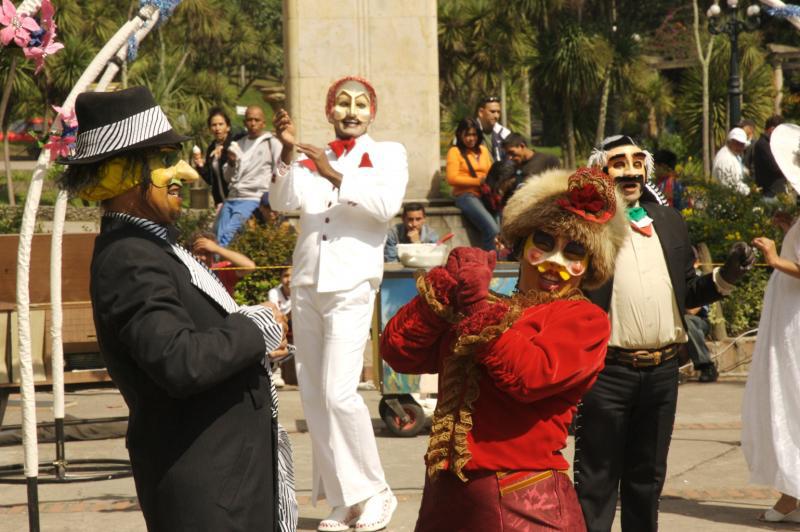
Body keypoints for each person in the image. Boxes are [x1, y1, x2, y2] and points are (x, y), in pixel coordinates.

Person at [57, 86, 294, 531]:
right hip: (209, 498)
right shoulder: (130, 256)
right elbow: (180, 361)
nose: (186, 172)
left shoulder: (152, 245)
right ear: (121, 175)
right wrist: (252, 328)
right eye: (166, 160)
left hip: (227, 489)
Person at [381, 166, 629, 530]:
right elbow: (400, 352)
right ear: (524, 243)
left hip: (523, 502)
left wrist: (478, 305)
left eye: (574, 251)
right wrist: (446, 289)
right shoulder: (482, 304)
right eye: (544, 242)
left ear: (588, 266)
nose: (554, 262)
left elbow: (530, 377)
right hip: (446, 500)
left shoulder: (585, 320)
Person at [577, 134, 755, 531]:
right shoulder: (586, 228)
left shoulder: (670, 222)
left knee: (647, 478)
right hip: (606, 372)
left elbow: (688, 289)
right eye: (618, 162)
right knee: (596, 482)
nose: (630, 169)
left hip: (662, 373)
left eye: (637, 161)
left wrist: (726, 277)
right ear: (600, 172)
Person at [271, 75, 407, 532]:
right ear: (330, 110)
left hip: (352, 281)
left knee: (339, 393)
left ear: (372, 112)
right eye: (343, 103)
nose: (351, 111)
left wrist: (335, 175)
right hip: (309, 282)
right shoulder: (313, 155)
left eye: (361, 104)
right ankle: (344, 501)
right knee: (313, 397)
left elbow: (386, 206)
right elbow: (281, 199)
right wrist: (290, 152)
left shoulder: (388, 154)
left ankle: (375, 491)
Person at [741, 140, 800, 523]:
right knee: (786, 395)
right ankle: (791, 492)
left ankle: (792, 492)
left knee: (792, 395)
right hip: (787, 314)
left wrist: (773, 258)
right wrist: (788, 227)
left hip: (795, 320)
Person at [217, 105, 282, 246]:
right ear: (244, 122)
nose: (253, 123)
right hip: (232, 196)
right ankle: (217, 266)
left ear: (264, 122)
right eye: (249, 120)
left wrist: (272, 200)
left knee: (227, 235)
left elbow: (281, 171)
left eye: (256, 120)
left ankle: (217, 266)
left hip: (252, 198)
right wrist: (231, 163)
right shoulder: (237, 144)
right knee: (219, 235)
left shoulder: (272, 143)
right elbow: (227, 177)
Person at [446, 117, 497, 251]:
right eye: (467, 134)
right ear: (460, 135)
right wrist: (478, 181)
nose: (471, 138)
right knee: (492, 229)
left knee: (501, 228)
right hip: (466, 196)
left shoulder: (483, 150)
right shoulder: (455, 152)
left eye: (474, 134)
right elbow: (451, 179)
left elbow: (491, 171)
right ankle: (491, 265)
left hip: (486, 195)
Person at [496, 132, 561, 209]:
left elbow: (558, 187)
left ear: (522, 146)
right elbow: (501, 190)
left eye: (511, 152)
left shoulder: (547, 160)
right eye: (507, 154)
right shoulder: (510, 168)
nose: (510, 157)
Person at [192, 107, 240, 209]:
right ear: (210, 129)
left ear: (228, 127)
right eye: (214, 125)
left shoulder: (235, 144)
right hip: (220, 202)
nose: (217, 128)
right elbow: (211, 180)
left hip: (237, 199)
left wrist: (224, 152)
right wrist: (200, 166)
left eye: (221, 124)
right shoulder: (211, 148)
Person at [190, 231, 256, 295]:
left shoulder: (221, 270)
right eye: (199, 253)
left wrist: (217, 249)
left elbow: (250, 266)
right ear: (190, 252)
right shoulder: (184, 270)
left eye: (208, 253)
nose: (203, 258)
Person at [267, 267, 293, 388]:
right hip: (283, 324)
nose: (290, 279)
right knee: (276, 327)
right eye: (286, 276)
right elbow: (277, 314)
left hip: (300, 325)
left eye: (293, 275)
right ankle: (276, 372)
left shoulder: (303, 291)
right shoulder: (274, 292)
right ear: (280, 278)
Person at [753, 115, 787, 198]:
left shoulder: (772, 143)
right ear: (772, 130)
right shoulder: (763, 144)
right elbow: (775, 166)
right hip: (770, 192)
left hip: (776, 190)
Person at [712, 127, 751, 195]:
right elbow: (729, 185)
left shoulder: (734, 155)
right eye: (737, 143)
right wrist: (749, 191)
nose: (739, 147)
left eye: (742, 144)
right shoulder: (725, 159)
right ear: (730, 142)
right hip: (725, 201)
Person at [475, 95, 511, 161]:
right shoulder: (468, 132)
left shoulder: (504, 134)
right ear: (481, 112)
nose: (496, 116)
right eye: (492, 112)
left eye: (498, 112)